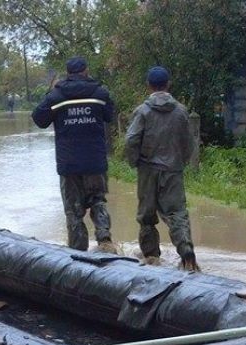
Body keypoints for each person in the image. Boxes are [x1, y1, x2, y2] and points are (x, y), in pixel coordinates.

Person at [32, 57, 117, 253]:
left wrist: (51, 91)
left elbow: (39, 119)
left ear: (68, 73)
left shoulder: (56, 96)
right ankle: (105, 242)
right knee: (98, 201)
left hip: (69, 164)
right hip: (95, 161)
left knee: (73, 212)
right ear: (86, 71)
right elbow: (110, 115)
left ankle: (78, 254)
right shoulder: (99, 93)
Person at [124, 66, 199, 271]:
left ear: (149, 86)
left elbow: (131, 139)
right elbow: (189, 142)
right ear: (168, 84)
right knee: (176, 213)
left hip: (148, 170)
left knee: (147, 216)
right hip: (173, 169)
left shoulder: (143, 111)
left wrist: (134, 161)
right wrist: (180, 161)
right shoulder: (181, 111)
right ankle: (186, 253)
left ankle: (151, 258)